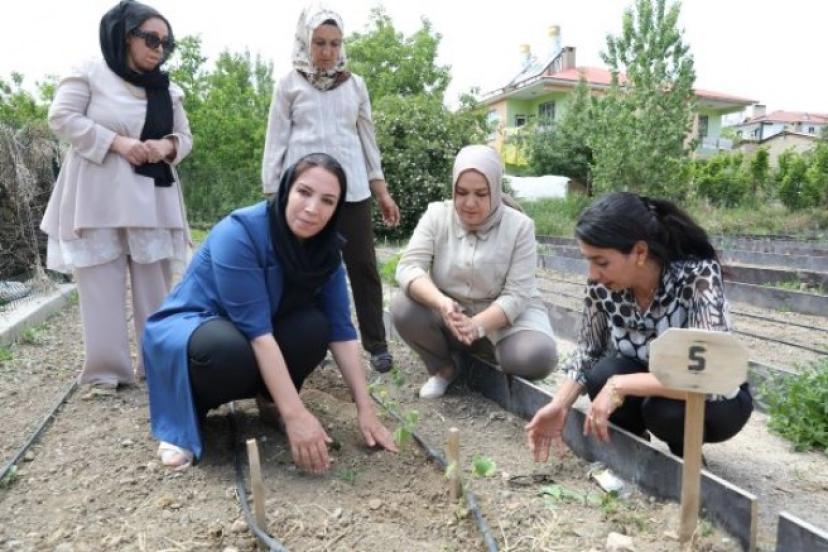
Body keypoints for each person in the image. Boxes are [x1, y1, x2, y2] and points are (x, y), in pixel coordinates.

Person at [143, 153, 397, 472]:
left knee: (314, 327)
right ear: (287, 188)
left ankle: (271, 401)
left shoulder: (326, 249)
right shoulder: (240, 233)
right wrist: (297, 416)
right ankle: (187, 417)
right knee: (224, 349)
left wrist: (366, 408)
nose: (312, 208)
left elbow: (341, 331)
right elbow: (257, 334)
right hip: (195, 329)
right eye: (304, 192)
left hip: (257, 332)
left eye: (327, 201)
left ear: (336, 210)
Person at [526, 192, 754, 461]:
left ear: (640, 252)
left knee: (663, 411)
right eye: (588, 260)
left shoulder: (696, 278)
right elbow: (589, 351)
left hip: (717, 399)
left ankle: (687, 459)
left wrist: (621, 385)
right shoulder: (603, 287)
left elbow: (707, 377)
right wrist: (559, 404)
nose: (592, 274)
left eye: (601, 262)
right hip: (652, 381)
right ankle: (634, 453)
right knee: (601, 375)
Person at [40, 0, 191, 392]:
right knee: (99, 284)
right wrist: (118, 143)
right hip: (98, 194)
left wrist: (167, 147)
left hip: (152, 195)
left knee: (154, 285)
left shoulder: (167, 88)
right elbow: (62, 117)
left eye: (166, 43)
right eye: (151, 38)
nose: (159, 48)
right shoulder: (89, 72)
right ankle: (106, 372)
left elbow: (184, 138)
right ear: (126, 37)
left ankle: (157, 365)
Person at [262, 5, 400, 374]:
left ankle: (376, 344)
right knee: (304, 268)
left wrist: (381, 190)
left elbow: (368, 141)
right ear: (306, 42)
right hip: (303, 193)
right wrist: (274, 194)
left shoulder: (355, 85)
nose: (327, 52)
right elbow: (275, 142)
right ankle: (310, 341)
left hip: (351, 190)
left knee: (363, 267)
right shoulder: (289, 85)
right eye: (320, 43)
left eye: (334, 43)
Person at [392, 145, 558, 399]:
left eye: (481, 194)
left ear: (495, 190)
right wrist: (442, 303)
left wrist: (478, 325)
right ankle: (444, 368)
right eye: (462, 192)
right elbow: (408, 267)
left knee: (537, 356)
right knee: (403, 307)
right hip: (453, 314)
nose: (470, 203)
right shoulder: (437, 215)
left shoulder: (520, 227)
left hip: (503, 315)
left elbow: (517, 294)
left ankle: (490, 350)